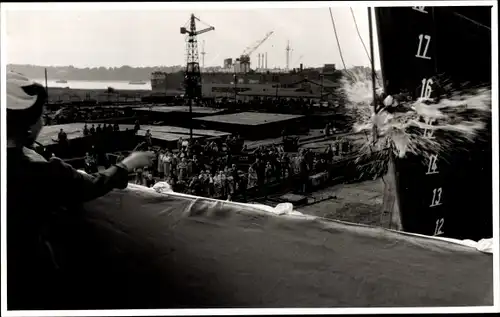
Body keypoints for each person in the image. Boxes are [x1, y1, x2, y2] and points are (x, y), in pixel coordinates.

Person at [6, 71, 155, 310]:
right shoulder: (39, 172)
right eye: (41, 116)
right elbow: (90, 186)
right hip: (26, 279)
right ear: (27, 123)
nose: (44, 122)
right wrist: (129, 163)